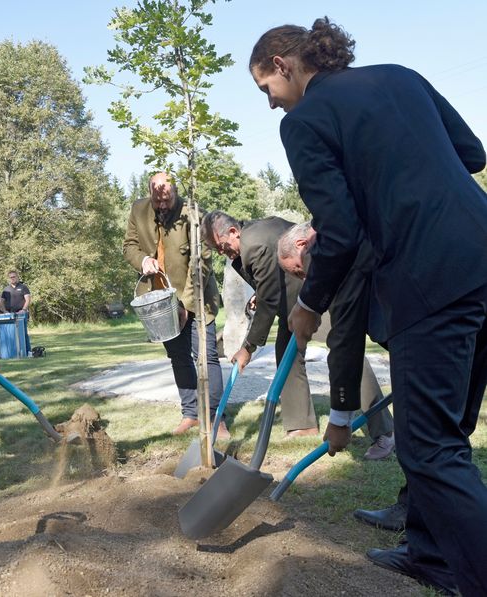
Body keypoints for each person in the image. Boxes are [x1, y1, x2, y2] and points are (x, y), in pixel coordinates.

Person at [250, 17, 487, 596]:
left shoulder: (305, 121)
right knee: (444, 429)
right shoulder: (401, 78)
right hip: (480, 256)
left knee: (431, 447)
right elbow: (472, 154)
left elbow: (343, 231)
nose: (272, 106)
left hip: (427, 280)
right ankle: (430, 552)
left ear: (284, 64)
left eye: (266, 91)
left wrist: (308, 302)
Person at [123, 172, 228, 438]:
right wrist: (143, 261)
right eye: (157, 200)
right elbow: (130, 246)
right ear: (150, 193)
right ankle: (191, 414)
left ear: (176, 193)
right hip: (160, 299)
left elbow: (201, 265)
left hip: (197, 297)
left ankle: (217, 418)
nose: (162, 205)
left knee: (207, 357)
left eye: (166, 200)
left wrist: (186, 306)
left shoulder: (194, 214)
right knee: (178, 357)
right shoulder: (138, 209)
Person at [277, 222, 394, 460]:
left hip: (430, 324)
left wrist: (339, 421)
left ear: (303, 245)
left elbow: (345, 339)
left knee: (430, 435)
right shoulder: (343, 237)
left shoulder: (339, 250)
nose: (305, 278)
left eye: (299, 271)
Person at [203, 212, 317, 437]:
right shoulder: (247, 239)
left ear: (234, 232)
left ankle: (383, 430)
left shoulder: (252, 245)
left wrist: (248, 347)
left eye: (221, 245)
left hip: (313, 291)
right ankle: (303, 425)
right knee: (286, 354)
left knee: (344, 348)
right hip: (293, 301)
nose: (220, 252)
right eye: (216, 248)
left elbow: (269, 299)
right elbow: (269, 281)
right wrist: (260, 291)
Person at [1, 270, 31, 355]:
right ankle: (14, 353)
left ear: (17, 277)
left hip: (21, 314)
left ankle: (28, 351)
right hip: (10, 315)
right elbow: (2, 302)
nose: (12, 278)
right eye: (11, 277)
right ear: (9, 278)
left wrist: (24, 310)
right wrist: (4, 311)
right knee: (12, 334)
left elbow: (28, 299)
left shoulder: (23, 287)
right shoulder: (6, 289)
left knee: (24, 333)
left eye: (14, 277)